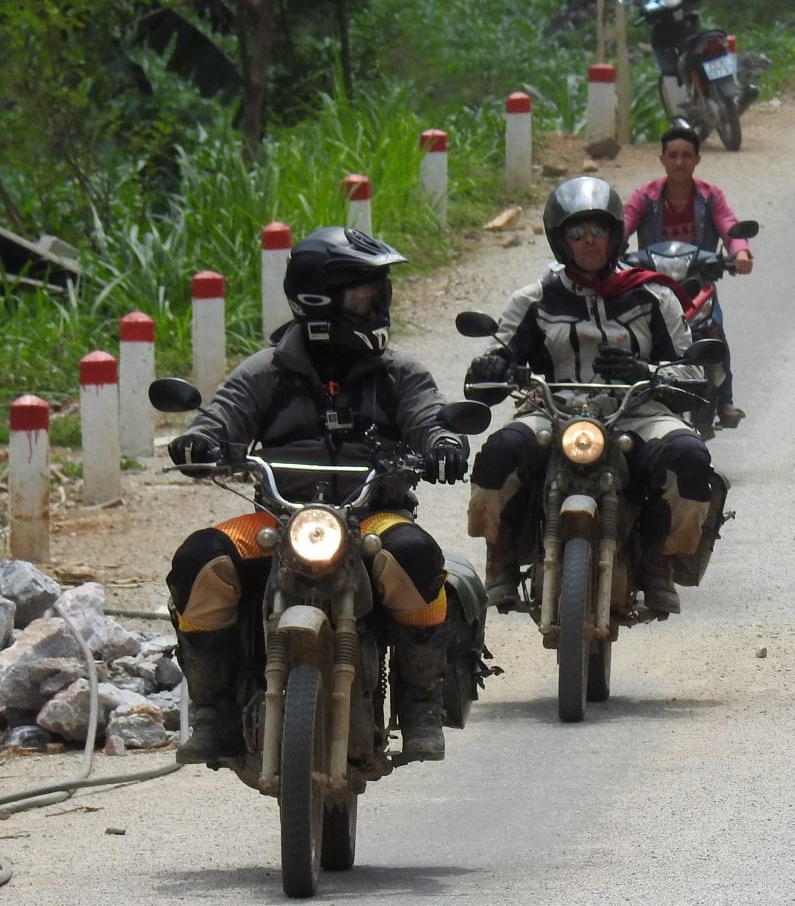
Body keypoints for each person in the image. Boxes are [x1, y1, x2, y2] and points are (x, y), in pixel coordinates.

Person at [166, 227, 470, 764]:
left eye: (379, 294)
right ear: (317, 302)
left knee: (417, 556)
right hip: (280, 524)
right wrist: (201, 441)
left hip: (372, 518)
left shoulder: (399, 373)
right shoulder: (267, 372)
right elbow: (223, 417)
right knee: (200, 560)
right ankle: (212, 713)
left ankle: (420, 703)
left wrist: (442, 441)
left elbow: (427, 417)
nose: (377, 306)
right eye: (363, 296)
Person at [466, 175, 718, 616]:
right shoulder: (534, 299)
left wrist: (647, 371)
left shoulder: (653, 295)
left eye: (597, 230)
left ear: (615, 234)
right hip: (554, 409)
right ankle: (501, 556)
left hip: (637, 410)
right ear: (560, 240)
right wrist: (493, 368)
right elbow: (494, 360)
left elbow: (692, 369)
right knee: (498, 452)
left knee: (691, 457)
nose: (588, 241)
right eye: (576, 232)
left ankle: (661, 559)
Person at [623, 125, 754, 428]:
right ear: (662, 159)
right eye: (673, 155)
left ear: (697, 159)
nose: (679, 162)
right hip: (653, 287)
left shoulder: (710, 197)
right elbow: (624, 224)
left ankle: (725, 401)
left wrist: (740, 253)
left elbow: (728, 224)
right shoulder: (645, 197)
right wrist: (611, 247)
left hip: (699, 286)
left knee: (714, 331)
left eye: (686, 156)